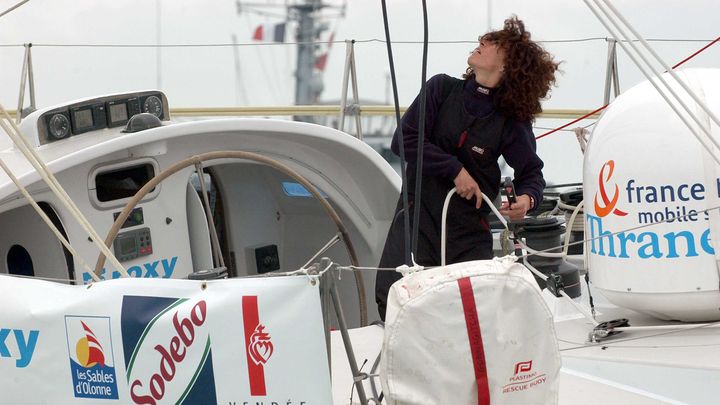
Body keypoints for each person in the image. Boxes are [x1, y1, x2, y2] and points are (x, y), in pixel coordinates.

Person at [375, 16, 559, 320]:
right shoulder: (441, 89)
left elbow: (531, 174)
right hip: (418, 220)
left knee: (472, 314)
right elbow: (403, 140)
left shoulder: (510, 121)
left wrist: (527, 200)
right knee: (397, 303)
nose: (482, 42)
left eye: (493, 42)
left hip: (468, 232)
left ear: (506, 66)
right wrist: (456, 170)